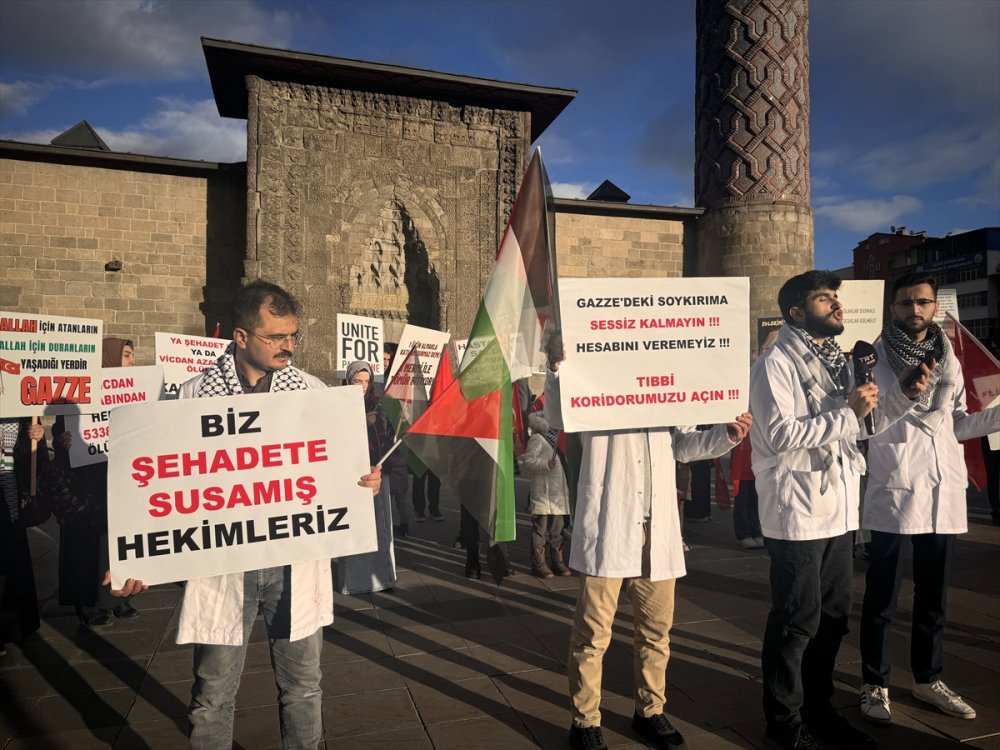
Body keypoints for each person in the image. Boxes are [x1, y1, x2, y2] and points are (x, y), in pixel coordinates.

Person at [166, 280, 381, 749]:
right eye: (276, 337)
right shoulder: (191, 399)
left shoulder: (313, 392)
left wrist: (363, 481)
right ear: (241, 337)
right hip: (225, 566)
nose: (288, 346)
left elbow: (338, 470)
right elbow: (164, 484)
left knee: (303, 689)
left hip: (294, 561)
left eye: (293, 336)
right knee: (212, 697)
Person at [749, 270, 932, 750]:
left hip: (838, 509)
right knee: (796, 619)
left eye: (836, 296)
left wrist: (903, 398)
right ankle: (783, 721)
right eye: (824, 298)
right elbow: (780, 435)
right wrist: (848, 413)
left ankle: (818, 707)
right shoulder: (775, 364)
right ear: (795, 312)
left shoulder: (840, 362)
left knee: (832, 617)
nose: (836, 304)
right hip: (797, 510)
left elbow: (862, 425)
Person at [545, 346, 752, 750]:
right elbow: (559, 416)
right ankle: (585, 720)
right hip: (609, 522)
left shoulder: (668, 387)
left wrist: (726, 436)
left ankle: (650, 712)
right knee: (592, 633)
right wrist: (555, 372)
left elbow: (684, 445)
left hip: (658, 528)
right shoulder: (594, 381)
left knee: (656, 631)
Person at [858, 273, 999, 725]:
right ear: (892, 309)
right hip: (896, 488)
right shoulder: (872, 358)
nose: (914, 311)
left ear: (935, 307)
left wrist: (995, 417)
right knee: (882, 596)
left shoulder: (949, 358)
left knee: (933, 599)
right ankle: (874, 683)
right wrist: (902, 392)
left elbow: (956, 424)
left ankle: (927, 677)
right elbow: (868, 422)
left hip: (943, 490)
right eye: (905, 304)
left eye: (921, 302)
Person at [53, 337, 139, 627]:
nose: (132, 362)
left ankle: (118, 598)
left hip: (117, 478)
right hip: (84, 483)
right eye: (127, 355)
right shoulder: (79, 392)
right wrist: (60, 440)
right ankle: (88, 602)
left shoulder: (133, 394)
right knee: (87, 543)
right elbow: (63, 426)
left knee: (114, 539)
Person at [333, 360, 398, 594]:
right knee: (357, 527)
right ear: (348, 380)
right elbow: (334, 437)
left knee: (380, 527)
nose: (362, 386)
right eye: (357, 381)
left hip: (378, 472)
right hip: (354, 475)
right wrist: (361, 422)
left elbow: (386, 433)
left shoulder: (377, 403)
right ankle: (355, 581)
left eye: (366, 381)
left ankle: (382, 577)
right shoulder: (338, 404)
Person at [1, 418, 47, 655]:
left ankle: (14, 626)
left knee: (13, 560)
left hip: (12, 498)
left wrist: (37, 441)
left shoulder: (21, 411)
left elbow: (35, 466)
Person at [518, 411, 572, 579]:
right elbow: (528, 460)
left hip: (558, 495)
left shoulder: (559, 440)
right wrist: (545, 464)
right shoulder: (538, 439)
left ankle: (557, 562)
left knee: (557, 530)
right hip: (544, 492)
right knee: (540, 530)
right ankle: (539, 563)